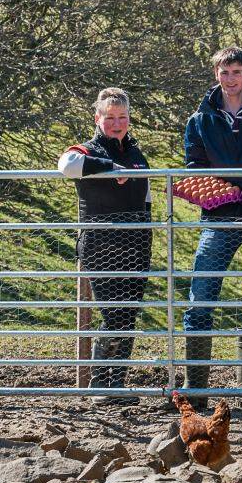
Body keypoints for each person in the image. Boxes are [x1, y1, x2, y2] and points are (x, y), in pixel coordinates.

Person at [182, 47, 242, 398]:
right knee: (200, 299)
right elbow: (192, 164)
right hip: (218, 219)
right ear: (216, 75)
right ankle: (195, 385)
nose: (230, 78)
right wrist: (217, 188)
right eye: (224, 72)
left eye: (236, 71)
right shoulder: (201, 119)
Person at [58, 87, 152, 406]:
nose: (116, 123)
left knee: (128, 315)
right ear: (97, 118)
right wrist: (109, 168)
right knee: (113, 313)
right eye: (110, 117)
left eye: (122, 117)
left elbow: (147, 198)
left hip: (136, 245)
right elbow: (66, 165)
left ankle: (117, 384)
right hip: (101, 243)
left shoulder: (137, 155)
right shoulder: (86, 150)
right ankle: (101, 383)